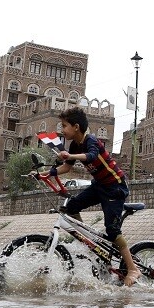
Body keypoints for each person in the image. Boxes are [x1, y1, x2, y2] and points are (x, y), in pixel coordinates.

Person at [40, 107, 140, 286]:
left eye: (64, 126)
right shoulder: (74, 145)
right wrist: (43, 174)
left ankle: (133, 268)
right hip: (99, 186)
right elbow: (66, 167)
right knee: (71, 207)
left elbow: (91, 156)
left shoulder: (90, 140)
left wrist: (70, 155)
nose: (62, 130)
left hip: (115, 187)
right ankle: (91, 242)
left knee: (113, 231)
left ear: (76, 127)